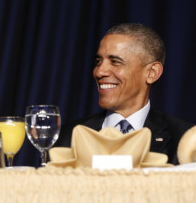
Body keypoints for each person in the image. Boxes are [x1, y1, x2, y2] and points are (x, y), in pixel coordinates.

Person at [54, 23, 193, 165]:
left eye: (115, 62)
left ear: (152, 73)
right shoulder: (66, 137)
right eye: (98, 61)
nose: (99, 72)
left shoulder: (186, 141)